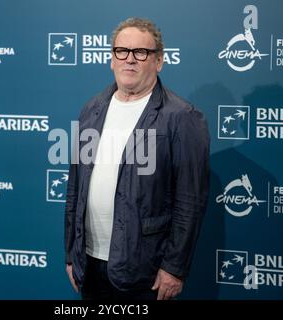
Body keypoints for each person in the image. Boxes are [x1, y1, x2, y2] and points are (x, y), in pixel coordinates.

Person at [65, 17, 210, 300]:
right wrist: (72, 253)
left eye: (141, 53)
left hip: (146, 271)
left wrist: (174, 268)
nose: (129, 59)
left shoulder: (182, 117)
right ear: (111, 58)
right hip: (91, 264)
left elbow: (190, 202)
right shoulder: (91, 110)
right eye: (122, 51)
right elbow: (75, 188)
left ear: (158, 61)